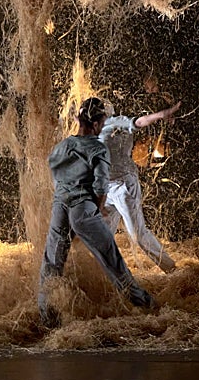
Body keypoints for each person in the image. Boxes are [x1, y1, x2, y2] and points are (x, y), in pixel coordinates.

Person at [38, 96, 154, 328]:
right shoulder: (98, 148)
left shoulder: (62, 146)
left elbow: (54, 170)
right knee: (112, 260)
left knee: (51, 263)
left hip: (60, 207)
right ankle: (145, 304)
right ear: (95, 124)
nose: (103, 126)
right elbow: (101, 186)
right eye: (102, 122)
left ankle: (46, 316)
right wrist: (98, 208)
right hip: (83, 209)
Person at [96, 97, 184, 272]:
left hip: (123, 186)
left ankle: (172, 269)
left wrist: (161, 115)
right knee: (102, 237)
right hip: (107, 189)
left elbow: (139, 122)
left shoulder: (114, 122)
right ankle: (105, 275)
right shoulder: (94, 127)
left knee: (137, 235)